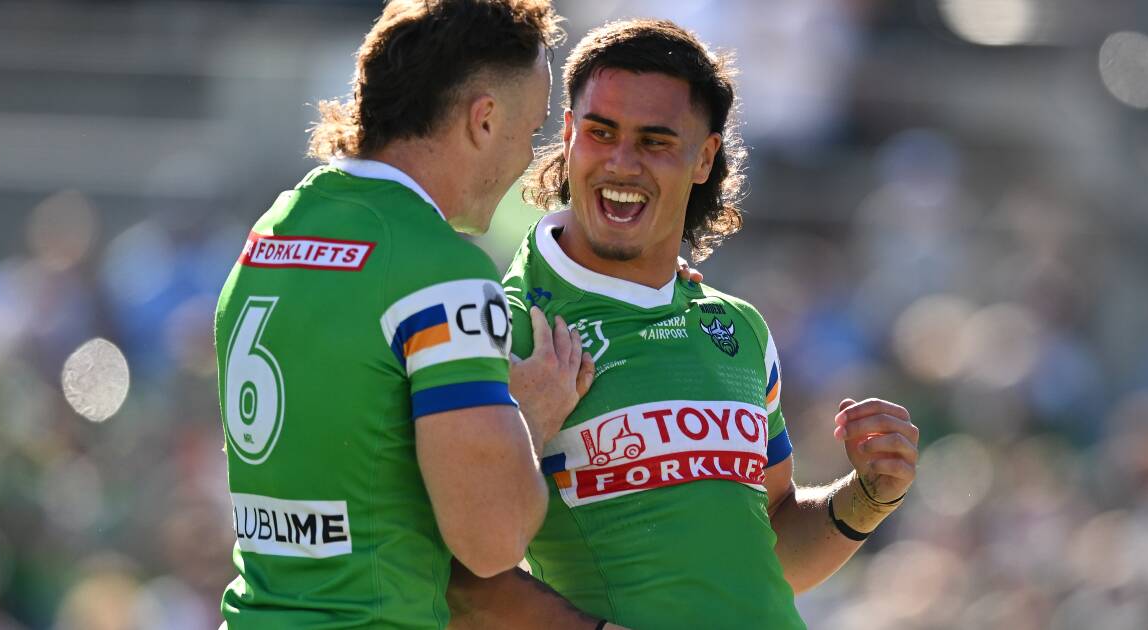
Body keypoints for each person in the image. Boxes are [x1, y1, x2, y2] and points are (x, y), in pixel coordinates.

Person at [448, 19, 920, 629]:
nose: (621, 163)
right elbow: (455, 572)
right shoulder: (504, 328)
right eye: (601, 132)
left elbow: (765, 551)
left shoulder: (739, 329)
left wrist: (867, 496)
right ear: (567, 137)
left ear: (704, 158)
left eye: (654, 141)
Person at [212, 2, 589, 628]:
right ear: (484, 120)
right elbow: (490, 542)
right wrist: (532, 418)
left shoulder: (273, 229)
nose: (530, 157)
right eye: (532, 130)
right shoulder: (442, 270)